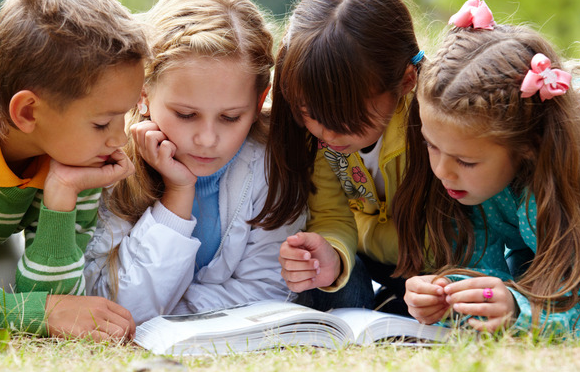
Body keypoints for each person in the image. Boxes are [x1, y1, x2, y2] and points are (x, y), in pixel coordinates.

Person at [83, 0, 305, 326]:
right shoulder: (106, 162)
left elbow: (269, 291)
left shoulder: (273, 163)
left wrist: (169, 306)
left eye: (230, 117)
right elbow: (110, 306)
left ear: (259, 102)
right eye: (186, 115)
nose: (207, 139)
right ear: (142, 92)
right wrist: (177, 194)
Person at [0, 0, 149, 340]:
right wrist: (32, 313)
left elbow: (56, 303)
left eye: (122, 116)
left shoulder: (75, 151)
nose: (119, 138)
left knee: (0, 284)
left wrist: (62, 193)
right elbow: (42, 311)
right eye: (101, 123)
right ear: (26, 113)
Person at [395, 0, 580, 335]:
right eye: (430, 146)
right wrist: (450, 291)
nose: (442, 171)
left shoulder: (569, 180)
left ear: (528, 144)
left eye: (466, 161)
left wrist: (520, 311)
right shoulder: (470, 183)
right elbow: (482, 266)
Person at [250, 0, 421, 314]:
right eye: (310, 113)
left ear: (406, 80)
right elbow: (330, 214)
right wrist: (332, 257)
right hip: (366, 256)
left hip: (435, 261)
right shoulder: (317, 141)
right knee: (339, 288)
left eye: (345, 118)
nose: (328, 135)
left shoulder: (429, 125)